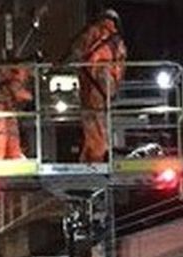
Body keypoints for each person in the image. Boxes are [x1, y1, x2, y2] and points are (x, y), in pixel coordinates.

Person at [70, 8, 127, 162]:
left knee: (92, 119)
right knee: (100, 119)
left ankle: (95, 155)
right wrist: (115, 84)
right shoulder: (118, 41)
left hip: (93, 80)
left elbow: (76, 52)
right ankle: (95, 153)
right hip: (107, 83)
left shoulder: (92, 33)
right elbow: (121, 65)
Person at [0, 65, 33, 160]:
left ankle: (13, 155)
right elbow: (26, 95)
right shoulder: (13, 83)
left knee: (11, 133)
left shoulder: (10, 83)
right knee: (0, 132)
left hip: (8, 109)